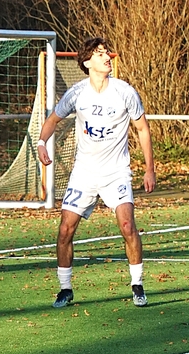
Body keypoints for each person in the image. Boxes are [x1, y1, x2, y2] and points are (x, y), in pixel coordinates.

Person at [36, 36, 156, 308]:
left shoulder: (124, 91)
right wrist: (42, 143)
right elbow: (52, 120)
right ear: (87, 62)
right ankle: (65, 289)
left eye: (107, 52)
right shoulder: (77, 93)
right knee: (65, 229)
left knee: (127, 225)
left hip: (116, 172)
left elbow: (142, 129)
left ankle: (137, 285)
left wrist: (149, 169)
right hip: (84, 173)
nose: (107, 57)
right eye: (100, 54)